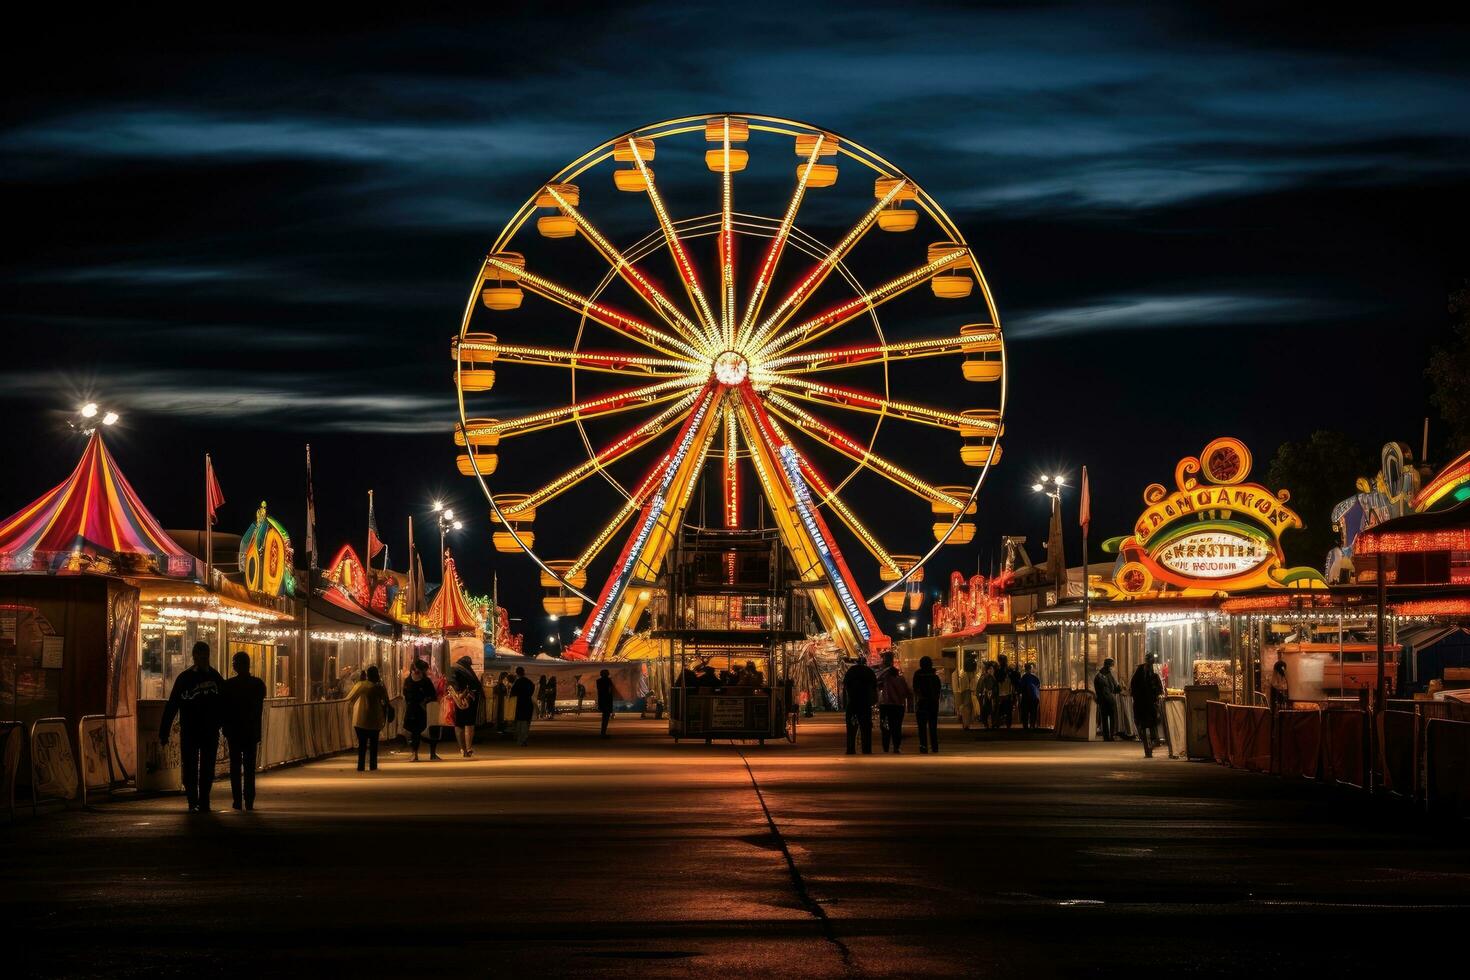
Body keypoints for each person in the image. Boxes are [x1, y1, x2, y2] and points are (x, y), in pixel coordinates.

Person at [160, 641, 225, 813]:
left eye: (205, 655)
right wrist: (164, 731)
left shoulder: (193, 678)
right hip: (194, 730)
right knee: (193, 766)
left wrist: (164, 731)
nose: (203, 658)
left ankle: (201, 800)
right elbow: (173, 704)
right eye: (201, 655)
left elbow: (224, 704)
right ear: (195, 656)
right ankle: (195, 800)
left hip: (203, 730)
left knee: (205, 767)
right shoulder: (208, 678)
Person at [222, 651, 266, 811]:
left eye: (235, 662)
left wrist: (225, 728)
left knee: (235, 767)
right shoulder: (258, 684)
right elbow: (257, 709)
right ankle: (249, 799)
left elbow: (225, 709)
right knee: (249, 768)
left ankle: (237, 800)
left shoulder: (228, 685)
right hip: (250, 732)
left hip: (234, 732)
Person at [346, 665, 390, 772]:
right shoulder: (379, 687)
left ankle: (361, 766)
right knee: (374, 744)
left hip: (359, 719)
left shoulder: (360, 685)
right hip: (374, 719)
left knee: (362, 744)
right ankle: (373, 765)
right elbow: (386, 701)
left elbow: (349, 698)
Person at [402, 659, 441, 762]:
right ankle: (415, 753)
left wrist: (425, 701)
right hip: (412, 708)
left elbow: (432, 694)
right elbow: (406, 694)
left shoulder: (426, 681)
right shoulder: (408, 680)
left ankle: (431, 753)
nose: (426, 672)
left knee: (428, 730)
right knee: (414, 731)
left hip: (424, 709)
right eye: (424, 670)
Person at [876, 650, 913, 753]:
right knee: (897, 727)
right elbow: (907, 693)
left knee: (885, 727)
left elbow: (876, 686)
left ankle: (886, 748)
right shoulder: (900, 679)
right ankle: (896, 747)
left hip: (885, 706)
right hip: (898, 706)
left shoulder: (882, 678)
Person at [1130, 653, 1165, 758]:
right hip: (1142, 703)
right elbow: (1134, 686)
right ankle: (1148, 749)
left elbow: (1158, 688)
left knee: (1151, 725)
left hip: (1149, 703)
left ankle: (1151, 746)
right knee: (1145, 726)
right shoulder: (1140, 672)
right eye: (1150, 660)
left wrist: (1156, 696)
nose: (1151, 662)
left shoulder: (1153, 674)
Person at [843, 655, 878, 755]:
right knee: (866, 728)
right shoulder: (869, 672)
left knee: (851, 728)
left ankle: (850, 749)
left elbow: (845, 686)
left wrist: (846, 702)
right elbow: (874, 688)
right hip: (865, 704)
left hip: (853, 703)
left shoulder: (851, 671)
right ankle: (866, 749)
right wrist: (873, 701)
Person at [449, 655, 481, 757]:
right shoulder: (469, 673)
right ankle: (468, 748)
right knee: (469, 725)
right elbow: (476, 686)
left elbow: (451, 686)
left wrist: (457, 696)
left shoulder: (453, 671)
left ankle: (462, 749)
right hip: (469, 702)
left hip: (456, 701)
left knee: (459, 725)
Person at [911, 655, 942, 754]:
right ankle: (934, 747)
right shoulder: (935, 676)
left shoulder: (917, 675)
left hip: (922, 703)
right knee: (933, 726)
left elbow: (915, 689)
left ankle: (923, 746)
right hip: (933, 704)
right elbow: (938, 690)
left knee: (922, 727)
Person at [1093, 658, 1121, 741]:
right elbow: (1100, 690)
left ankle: (1110, 736)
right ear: (1107, 665)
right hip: (1105, 700)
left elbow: (1114, 688)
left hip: (1109, 699)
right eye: (1110, 666)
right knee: (1105, 719)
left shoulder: (1108, 675)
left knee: (1110, 718)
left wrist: (1118, 688)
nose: (1111, 668)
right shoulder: (1100, 676)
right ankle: (1107, 736)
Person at [510, 667, 536, 745]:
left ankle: (520, 739)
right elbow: (532, 689)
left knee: (519, 722)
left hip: (520, 703)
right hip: (528, 703)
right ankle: (524, 738)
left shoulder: (517, 682)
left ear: (517, 673)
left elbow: (513, 693)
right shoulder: (529, 682)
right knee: (526, 722)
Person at [994, 654, 1017, 729]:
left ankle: (999, 723)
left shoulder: (998, 671)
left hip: (1001, 693)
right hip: (1007, 693)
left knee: (999, 710)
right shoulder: (1009, 670)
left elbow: (996, 682)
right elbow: (1013, 682)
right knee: (1008, 710)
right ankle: (1007, 724)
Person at [1019, 663, 1041, 730]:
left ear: (1025, 669)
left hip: (1025, 698)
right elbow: (1038, 686)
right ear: (1030, 669)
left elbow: (1020, 688)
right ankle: (1032, 725)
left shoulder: (1023, 678)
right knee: (1033, 712)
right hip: (1033, 698)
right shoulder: (1035, 678)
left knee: (1025, 713)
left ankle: (1025, 726)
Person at [596, 668, 616, 738]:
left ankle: (603, 732)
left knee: (605, 717)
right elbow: (610, 690)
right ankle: (603, 732)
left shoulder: (598, 681)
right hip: (607, 700)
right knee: (606, 717)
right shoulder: (609, 681)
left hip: (602, 700)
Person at [978, 662, 996, 729]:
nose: (992, 670)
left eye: (992, 669)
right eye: (990, 669)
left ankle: (987, 723)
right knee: (988, 710)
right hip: (986, 697)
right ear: (987, 670)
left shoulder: (988, 677)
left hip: (986, 696)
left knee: (987, 711)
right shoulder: (987, 677)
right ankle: (988, 723)